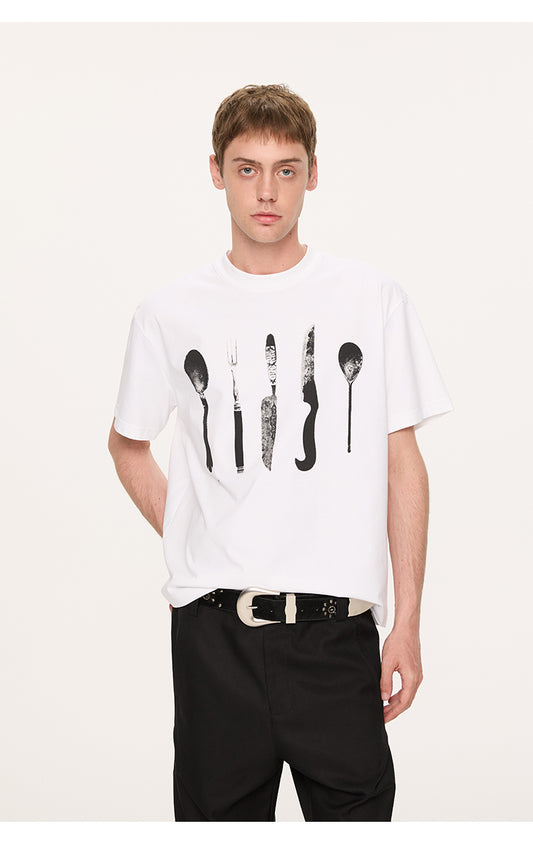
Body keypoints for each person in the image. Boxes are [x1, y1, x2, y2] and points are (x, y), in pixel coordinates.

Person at [108, 83, 453, 822]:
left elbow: (401, 462)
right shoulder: (168, 312)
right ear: (216, 172)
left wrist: (408, 621)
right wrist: (189, 530)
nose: (266, 191)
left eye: (285, 169)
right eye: (247, 168)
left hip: (337, 636)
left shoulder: (370, 297)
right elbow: (127, 444)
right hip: (215, 639)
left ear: (312, 174)